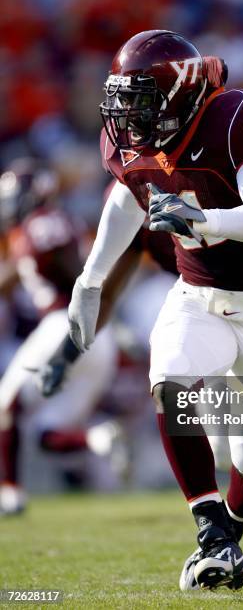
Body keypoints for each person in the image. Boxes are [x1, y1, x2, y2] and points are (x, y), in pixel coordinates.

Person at [66, 31, 243, 591]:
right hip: (199, 295)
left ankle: (227, 548)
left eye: (141, 98)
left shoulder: (235, 114)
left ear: (177, 93)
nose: (127, 114)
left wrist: (206, 221)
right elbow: (130, 192)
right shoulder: (135, 138)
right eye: (122, 98)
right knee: (168, 376)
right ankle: (210, 531)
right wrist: (91, 278)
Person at [0, 159, 118, 515]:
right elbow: (18, 274)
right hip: (101, 334)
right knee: (48, 433)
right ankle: (101, 439)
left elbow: (73, 272)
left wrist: (84, 305)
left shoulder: (42, 224)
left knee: (6, 405)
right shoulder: (48, 224)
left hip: (65, 325)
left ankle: (10, 495)